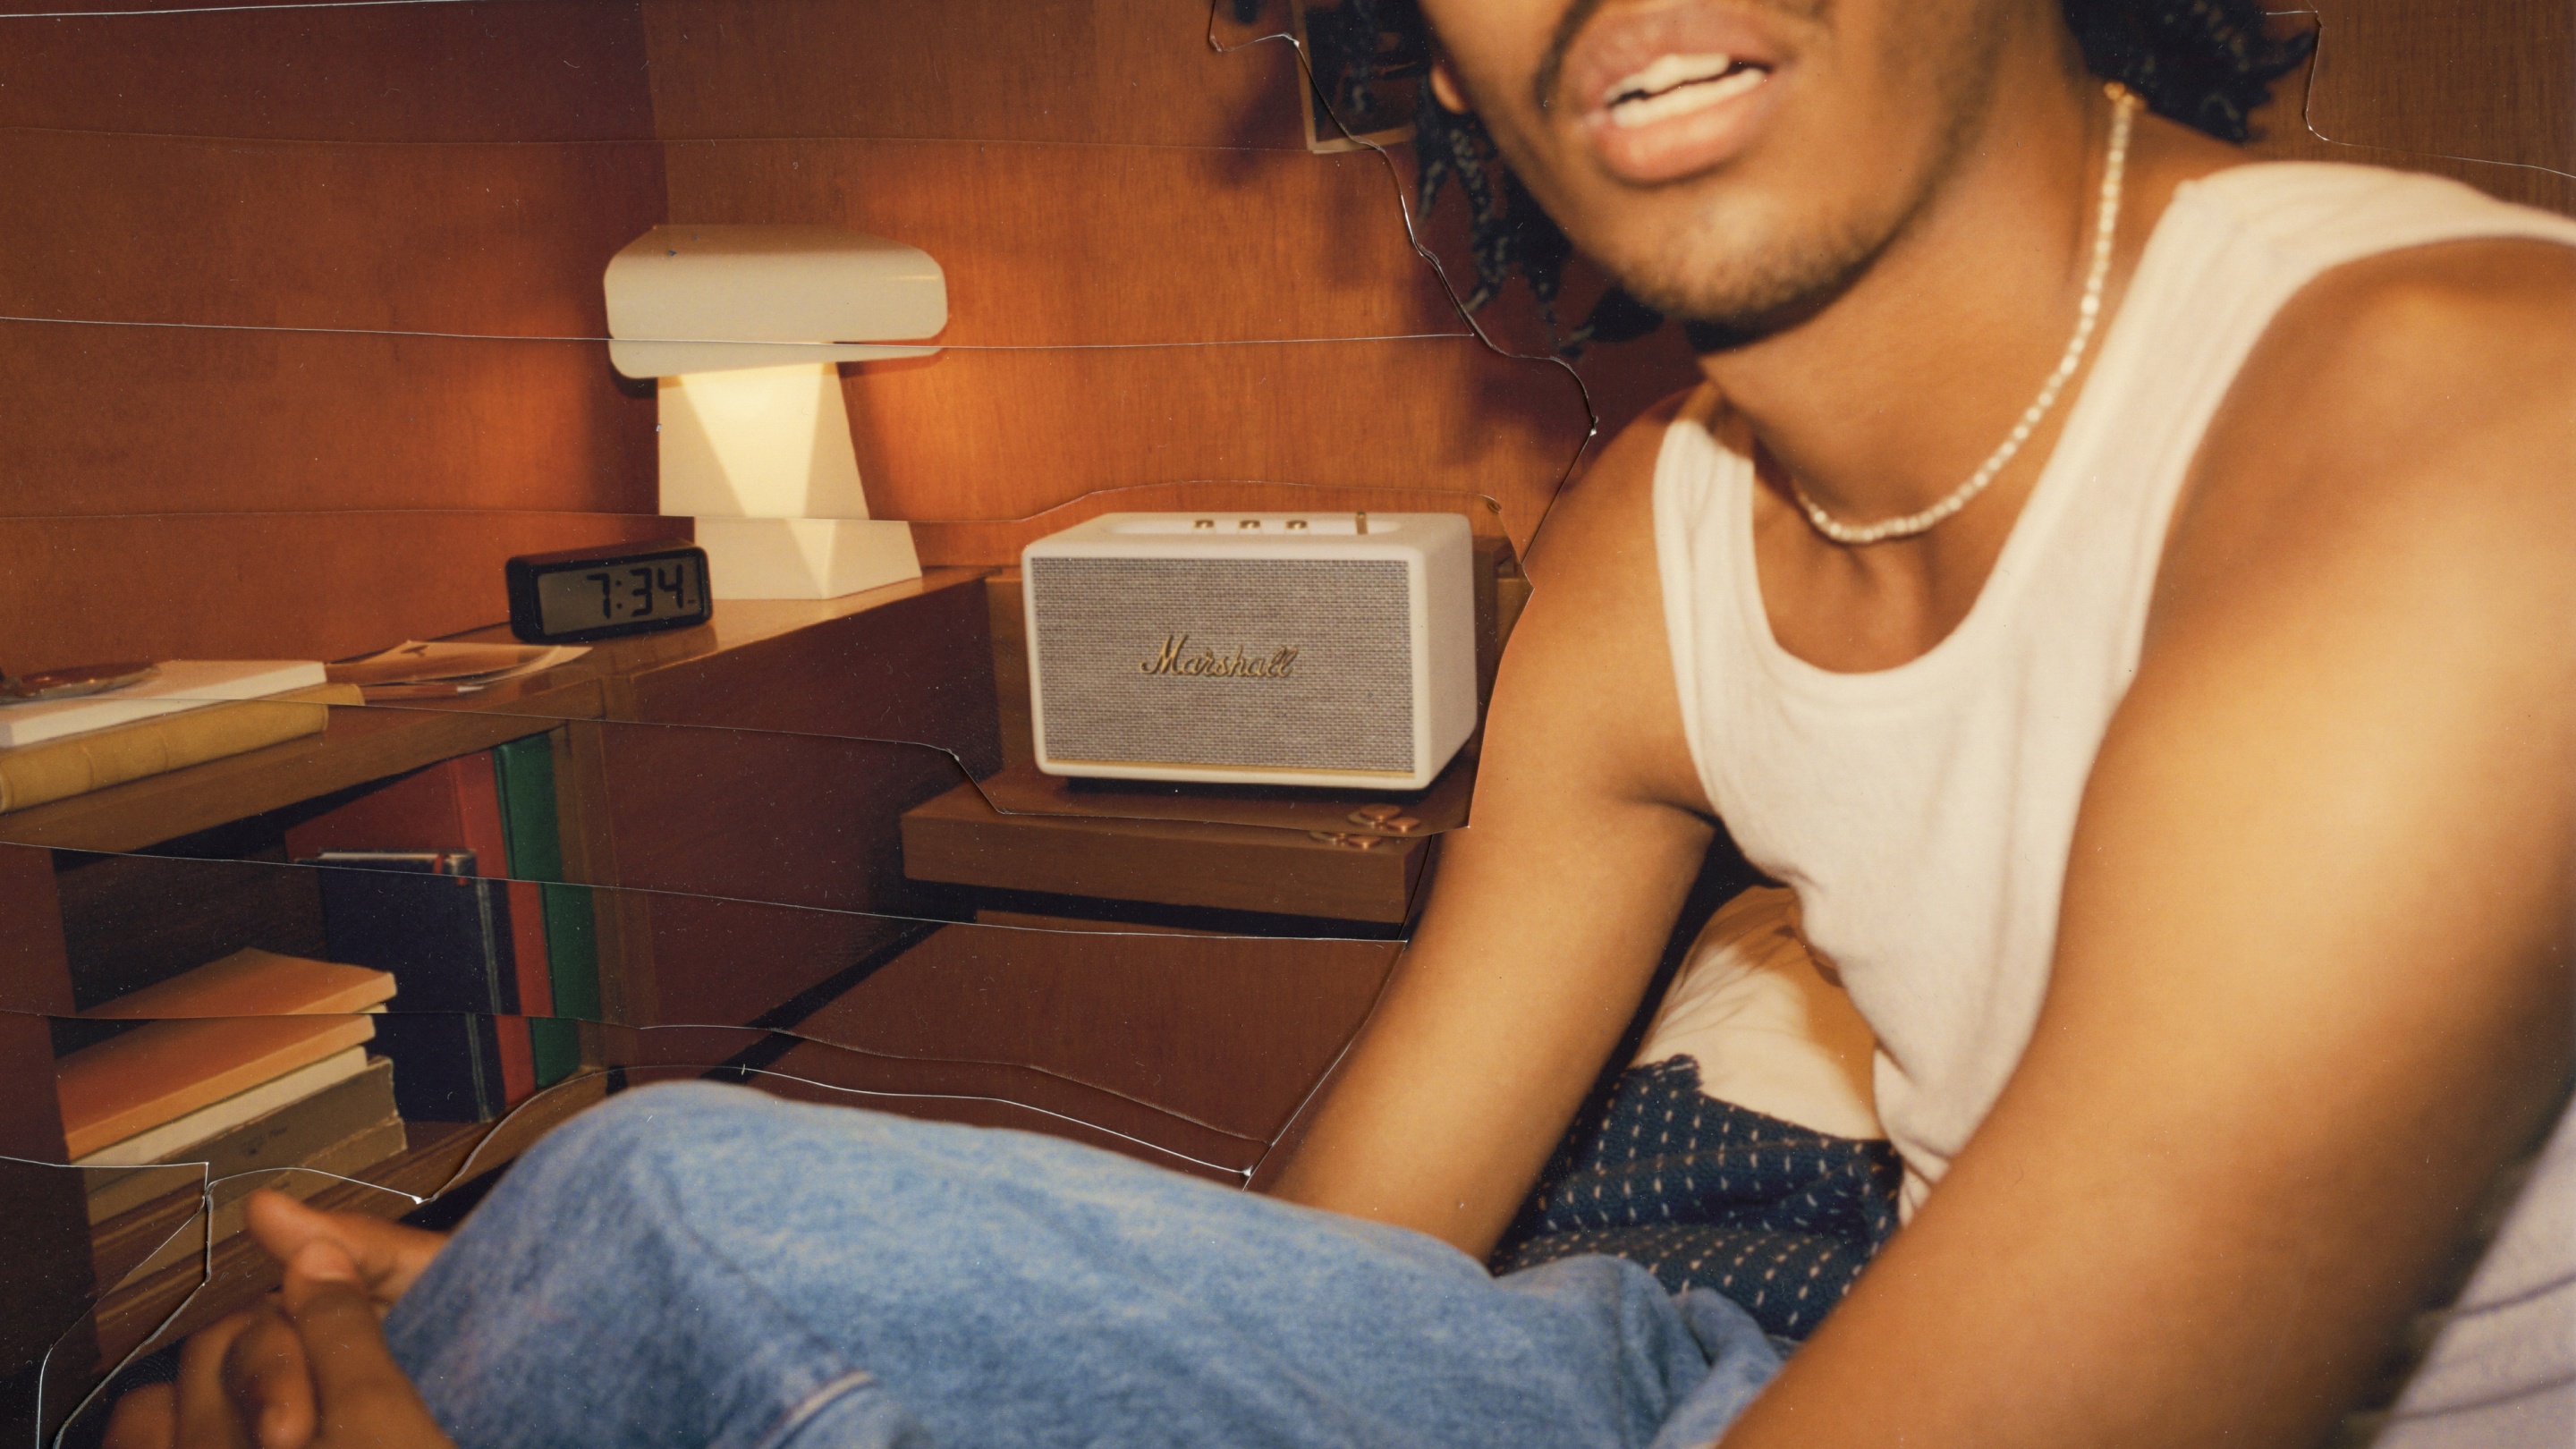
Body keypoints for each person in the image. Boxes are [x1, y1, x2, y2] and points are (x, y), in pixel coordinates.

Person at [103, 0, 2574, 1445]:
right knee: (637, 1191)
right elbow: (1344, 1285)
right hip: (1739, 1358)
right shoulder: (1653, 536)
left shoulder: (2465, 449)